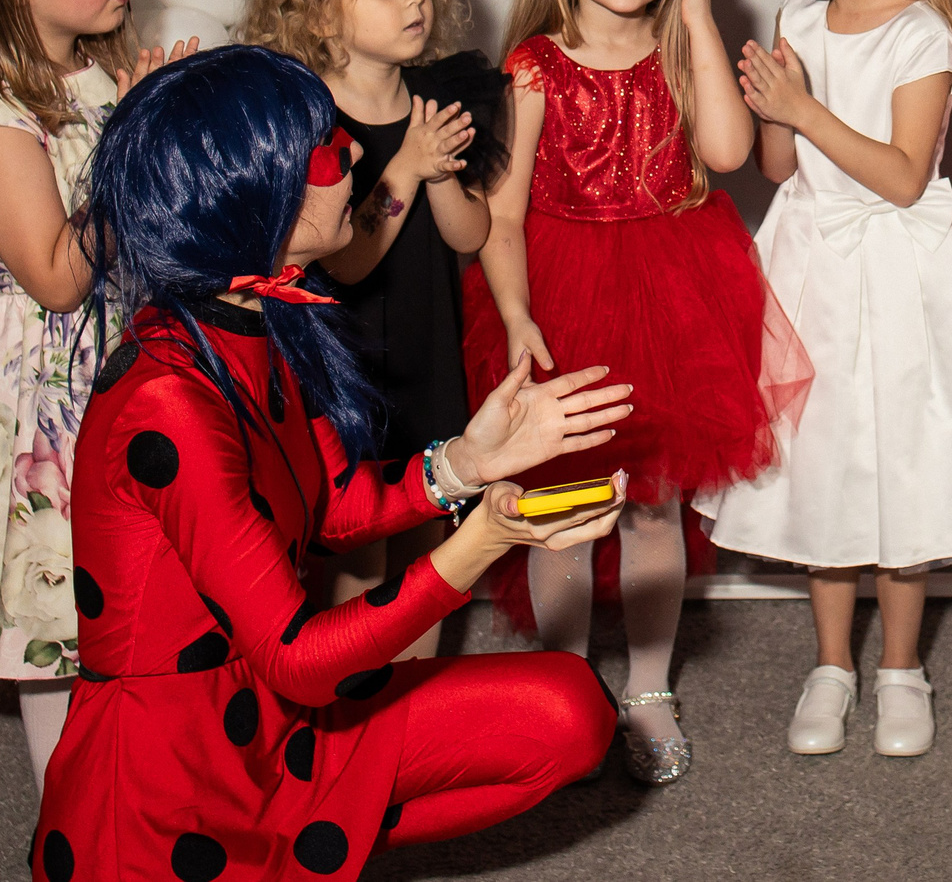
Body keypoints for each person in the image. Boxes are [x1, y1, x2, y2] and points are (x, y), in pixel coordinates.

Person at [38, 45, 632, 877]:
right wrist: (481, 542)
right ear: (248, 193)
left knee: (571, 712)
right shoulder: (165, 395)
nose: (351, 148)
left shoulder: (267, 315)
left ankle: (318, 841)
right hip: (170, 790)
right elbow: (301, 656)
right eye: (322, 147)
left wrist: (464, 463)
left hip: (279, 724)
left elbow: (336, 505)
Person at [461, 0, 810, 785]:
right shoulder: (535, 66)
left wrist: (698, 16)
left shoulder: (681, 48)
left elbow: (728, 153)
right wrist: (516, 312)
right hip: (563, 294)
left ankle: (648, 686)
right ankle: (563, 682)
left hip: (671, 287)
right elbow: (503, 212)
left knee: (653, 507)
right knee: (566, 508)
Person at [706, 0, 952, 759]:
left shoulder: (920, 35)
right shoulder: (798, 19)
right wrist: (776, 106)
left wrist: (803, 107)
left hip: (897, 268)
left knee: (899, 459)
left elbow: (900, 175)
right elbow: (779, 166)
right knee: (824, 459)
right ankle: (831, 665)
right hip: (811, 258)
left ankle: (899, 667)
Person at [0, 0, 190, 788]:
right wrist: (137, 146)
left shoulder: (101, 73)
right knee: (60, 616)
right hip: (53, 392)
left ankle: (148, 787)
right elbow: (54, 276)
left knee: (142, 589)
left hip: (129, 360)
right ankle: (67, 811)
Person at [240, 0, 506, 638]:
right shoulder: (309, 116)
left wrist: (441, 168)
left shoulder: (438, 96)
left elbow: (470, 234)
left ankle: (413, 700)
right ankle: (351, 689)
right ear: (320, 10)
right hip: (346, 359)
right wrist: (407, 167)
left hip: (425, 346)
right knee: (360, 546)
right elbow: (348, 263)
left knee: (432, 542)